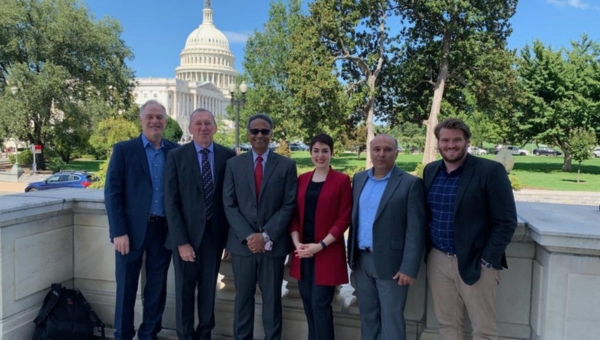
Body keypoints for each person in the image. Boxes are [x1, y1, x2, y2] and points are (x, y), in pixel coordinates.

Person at [423, 118, 517, 340]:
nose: (451, 145)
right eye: (445, 140)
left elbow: (506, 221)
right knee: (447, 324)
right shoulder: (430, 170)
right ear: (438, 143)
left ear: (467, 141)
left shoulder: (490, 170)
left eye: (457, 140)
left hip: (477, 260)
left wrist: (487, 260)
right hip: (438, 259)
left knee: (483, 330)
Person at [104, 100, 179, 340]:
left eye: (159, 117)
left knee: (157, 287)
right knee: (126, 287)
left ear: (165, 122)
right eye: (150, 117)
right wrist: (118, 231)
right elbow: (112, 193)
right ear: (141, 120)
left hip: (163, 229)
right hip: (131, 232)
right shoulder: (124, 150)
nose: (155, 121)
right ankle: (123, 335)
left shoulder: (175, 151)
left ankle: (149, 334)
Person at [223, 113, 298, 340]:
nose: (259, 135)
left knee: (272, 301)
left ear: (270, 134)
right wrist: (248, 235)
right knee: (243, 300)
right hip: (242, 247)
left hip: (272, 246)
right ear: (248, 133)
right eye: (255, 131)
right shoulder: (233, 165)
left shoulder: (286, 165)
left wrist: (265, 235)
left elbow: (289, 204)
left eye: (264, 131)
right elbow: (229, 203)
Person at [164, 109, 236, 340]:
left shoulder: (228, 156)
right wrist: (181, 242)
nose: (203, 128)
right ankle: (185, 336)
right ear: (190, 129)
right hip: (185, 238)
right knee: (185, 292)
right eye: (198, 124)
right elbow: (171, 202)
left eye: (207, 123)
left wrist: (228, 240)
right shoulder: (176, 156)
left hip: (214, 238)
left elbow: (231, 200)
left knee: (208, 292)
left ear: (215, 127)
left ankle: (205, 334)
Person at [347, 133, 426, 340]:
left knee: (391, 319)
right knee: (367, 316)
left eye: (388, 149)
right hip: (362, 260)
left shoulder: (410, 183)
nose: (381, 154)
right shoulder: (359, 178)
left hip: (392, 264)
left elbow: (416, 230)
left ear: (396, 153)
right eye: (377, 149)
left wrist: (409, 267)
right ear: (370, 152)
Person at [289, 133, 352, 340]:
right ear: (310, 153)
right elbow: (294, 215)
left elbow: (344, 219)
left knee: (320, 305)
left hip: (326, 251)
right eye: (316, 151)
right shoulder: (302, 179)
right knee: (307, 302)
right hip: (303, 252)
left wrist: (321, 245)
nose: (320, 155)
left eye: (325, 151)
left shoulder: (341, 180)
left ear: (332, 153)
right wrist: (297, 243)